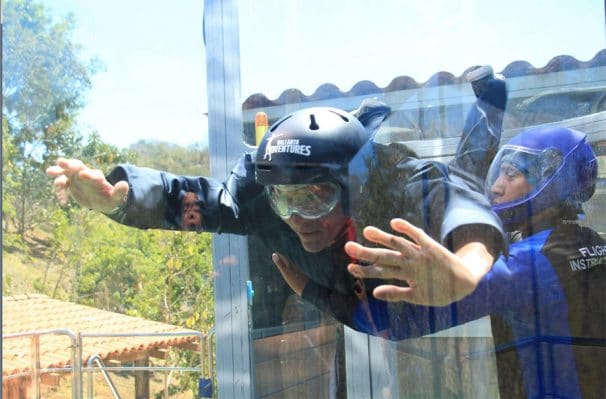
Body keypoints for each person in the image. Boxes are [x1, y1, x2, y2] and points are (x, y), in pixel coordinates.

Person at [307, 125, 604, 398]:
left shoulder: (529, 263)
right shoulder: (590, 244)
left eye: (511, 174)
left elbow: (399, 322)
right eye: (499, 173)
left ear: (554, 180)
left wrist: (312, 289)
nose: (497, 186)